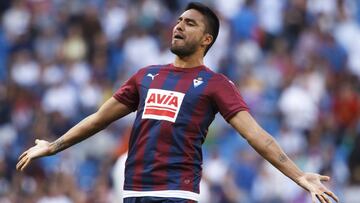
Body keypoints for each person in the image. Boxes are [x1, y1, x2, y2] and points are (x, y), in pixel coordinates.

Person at [16, 2, 339, 203]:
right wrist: (54, 146)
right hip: (133, 193)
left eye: (190, 23)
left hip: (177, 193)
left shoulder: (216, 84)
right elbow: (99, 118)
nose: (179, 26)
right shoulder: (146, 76)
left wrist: (298, 176)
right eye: (179, 20)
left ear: (207, 39)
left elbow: (257, 136)